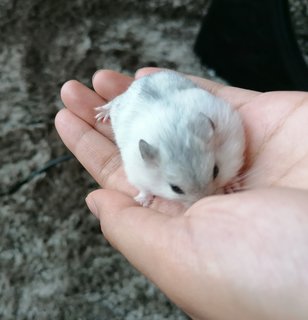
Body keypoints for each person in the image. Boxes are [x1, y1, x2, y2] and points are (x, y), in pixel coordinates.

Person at [55, 68, 308, 320]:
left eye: (215, 171)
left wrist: (227, 179)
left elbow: (233, 134)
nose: (207, 197)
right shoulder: (141, 152)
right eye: (177, 188)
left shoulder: (217, 123)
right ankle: (116, 103)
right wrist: (145, 191)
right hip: (140, 102)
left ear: (211, 136)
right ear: (150, 162)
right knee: (123, 106)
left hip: (174, 90)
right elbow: (135, 169)